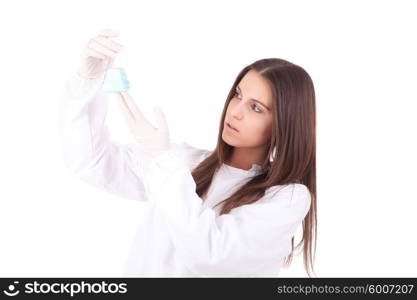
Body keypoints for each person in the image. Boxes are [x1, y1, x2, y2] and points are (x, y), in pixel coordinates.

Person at [58, 28, 317, 277]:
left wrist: (161, 160)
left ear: (284, 125)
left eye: (256, 108)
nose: (235, 111)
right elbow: (90, 161)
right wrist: (87, 80)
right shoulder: (184, 163)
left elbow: (212, 256)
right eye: (237, 95)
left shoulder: (287, 198)